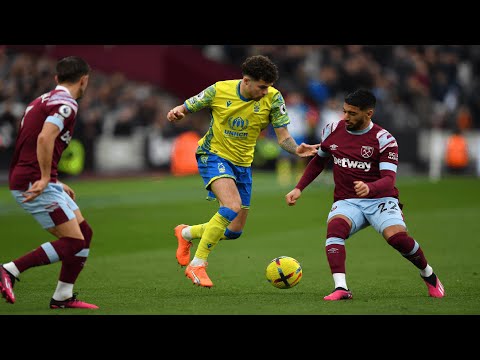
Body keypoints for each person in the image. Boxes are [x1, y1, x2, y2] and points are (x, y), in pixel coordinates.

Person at [167, 54, 320, 287]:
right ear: (246, 81)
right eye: (261, 87)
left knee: (235, 229)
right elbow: (187, 106)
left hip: (243, 164)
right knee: (231, 206)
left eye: (268, 87)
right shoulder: (219, 90)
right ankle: (198, 264)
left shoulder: (274, 98)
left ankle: (186, 233)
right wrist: (176, 112)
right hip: (213, 155)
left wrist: (297, 150)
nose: (265, 92)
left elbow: (284, 137)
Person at [285, 89, 445, 300]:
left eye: (352, 113)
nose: (345, 117)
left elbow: (389, 180)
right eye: (344, 111)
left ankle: (428, 274)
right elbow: (319, 161)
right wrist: (299, 187)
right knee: (335, 230)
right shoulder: (332, 129)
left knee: (397, 239)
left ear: (368, 113)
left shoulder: (384, 140)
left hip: (381, 198)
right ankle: (341, 288)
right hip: (347, 200)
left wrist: (371, 188)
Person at [0, 56, 98, 309]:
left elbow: (32, 142)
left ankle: (63, 296)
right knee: (74, 242)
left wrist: (53, 179)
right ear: (84, 80)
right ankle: (10, 270)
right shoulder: (67, 104)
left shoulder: (42, 100)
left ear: (57, 79)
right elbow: (45, 138)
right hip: (33, 180)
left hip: (36, 176)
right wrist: (45, 178)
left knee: (84, 234)